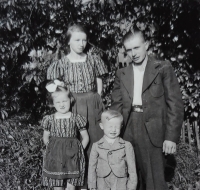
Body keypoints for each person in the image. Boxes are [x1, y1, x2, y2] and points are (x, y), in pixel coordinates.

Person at [110, 26, 184, 190]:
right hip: (128, 127)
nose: (133, 53)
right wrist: (113, 135)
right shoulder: (122, 73)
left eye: (136, 47)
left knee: (154, 181)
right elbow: (116, 106)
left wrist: (171, 136)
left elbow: (175, 104)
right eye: (129, 50)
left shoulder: (162, 68)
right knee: (130, 178)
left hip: (153, 129)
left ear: (147, 45)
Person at [42, 79, 89, 190]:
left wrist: (79, 150)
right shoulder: (49, 119)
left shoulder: (76, 118)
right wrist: (52, 149)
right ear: (53, 103)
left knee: (70, 187)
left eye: (64, 101)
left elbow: (85, 137)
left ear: (70, 100)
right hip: (55, 157)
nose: (62, 105)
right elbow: (45, 137)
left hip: (72, 157)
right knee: (57, 186)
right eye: (58, 102)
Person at [88, 110, 137, 190]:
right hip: (102, 181)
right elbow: (91, 168)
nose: (113, 130)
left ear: (121, 126)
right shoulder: (96, 145)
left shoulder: (126, 145)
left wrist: (132, 186)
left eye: (117, 127)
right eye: (110, 126)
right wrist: (92, 186)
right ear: (102, 126)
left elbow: (132, 168)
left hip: (120, 181)